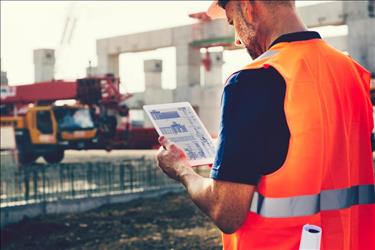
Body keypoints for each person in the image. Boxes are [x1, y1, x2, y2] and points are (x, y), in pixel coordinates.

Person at [157, 0, 375, 249]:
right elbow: (319, 150)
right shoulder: (351, 72)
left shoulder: (253, 80)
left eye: (233, 22)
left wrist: (182, 169)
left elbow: (226, 211)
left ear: (248, 8)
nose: (237, 40)